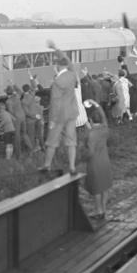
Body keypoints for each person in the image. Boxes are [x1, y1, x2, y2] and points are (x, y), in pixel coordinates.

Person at [40, 43, 79, 175]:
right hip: (72, 113)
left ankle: (47, 165)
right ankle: (72, 167)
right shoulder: (73, 74)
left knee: (52, 141)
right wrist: (56, 49)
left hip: (59, 116)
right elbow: (68, 60)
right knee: (71, 141)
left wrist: (52, 120)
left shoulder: (57, 81)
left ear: (57, 66)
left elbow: (55, 103)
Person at [83, 100, 112, 219]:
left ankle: (98, 211)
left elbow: (90, 152)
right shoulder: (105, 128)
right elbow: (104, 116)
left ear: (90, 120)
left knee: (96, 188)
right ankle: (104, 209)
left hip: (94, 163)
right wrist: (95, 104)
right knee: (104, 187)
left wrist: (83, 158)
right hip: (105, 160)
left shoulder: (91, 134)